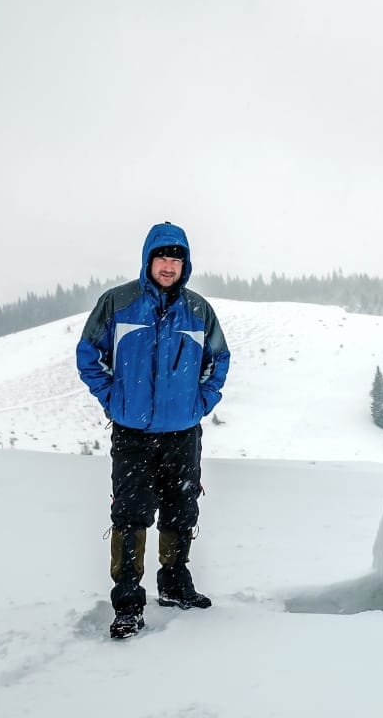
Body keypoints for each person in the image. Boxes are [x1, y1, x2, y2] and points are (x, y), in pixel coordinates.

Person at [76, 221, 231, 639]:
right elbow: (89, 354)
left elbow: (218, 362)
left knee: (182, 510)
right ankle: (127, 602)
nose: (169, 265)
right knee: (131, 514)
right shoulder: (118, 303)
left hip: (182, 433)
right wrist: (113, 399)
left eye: (177, 258)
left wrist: (200, 403)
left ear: (186, 264)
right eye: (163, 257)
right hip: (132, 434)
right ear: (149, 260)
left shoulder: (198, 311)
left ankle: (174, 584)